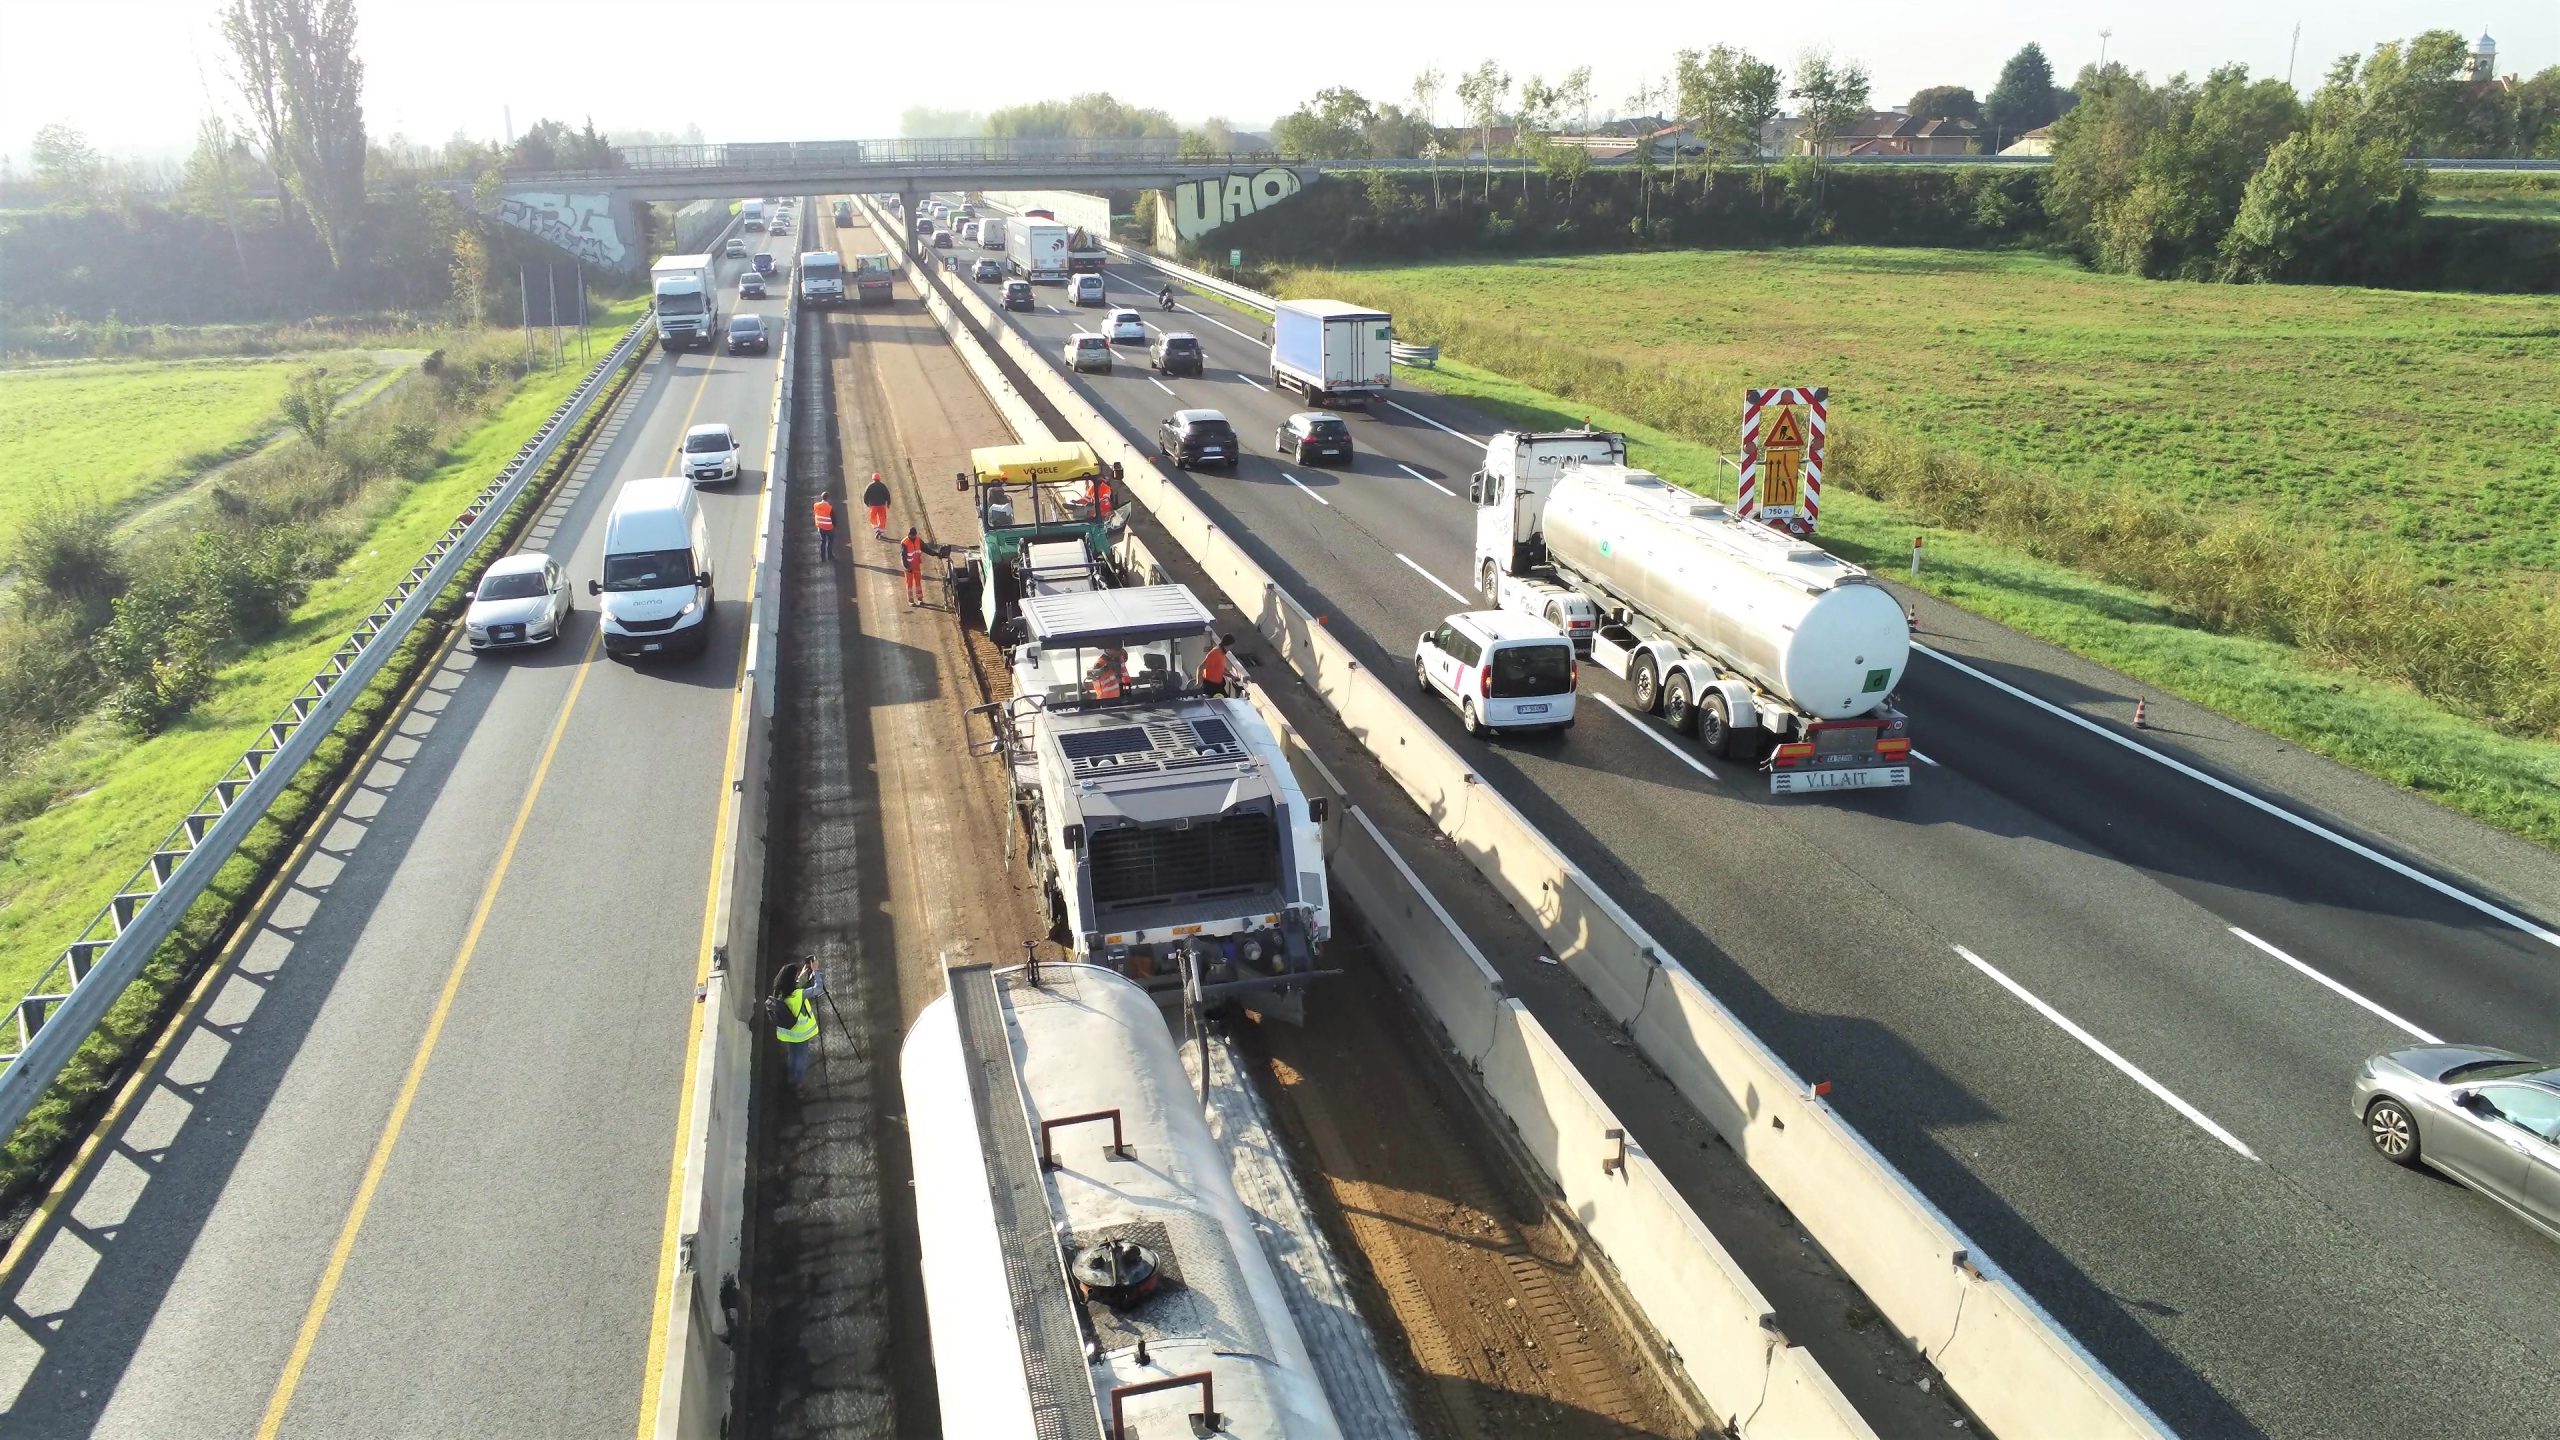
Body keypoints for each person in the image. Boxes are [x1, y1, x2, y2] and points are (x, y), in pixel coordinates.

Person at [768, 959, 820, 1091]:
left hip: (788, 1033)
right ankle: (799, 1082)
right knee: (801, 1059)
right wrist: (816, 971)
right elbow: (817, 989)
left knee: (793, 1054)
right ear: (791, 979)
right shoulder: (798, 995)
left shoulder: (780, 992)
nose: (797, 977)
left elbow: (796, 986)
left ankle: (791, 1077)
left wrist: (803, 975)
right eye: (795, 976)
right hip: (801, 1034)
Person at [900, 526, 927, 606]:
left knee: (918, 582)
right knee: (909, 583)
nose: (913, 537)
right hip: (909, 566)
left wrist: (935, 553)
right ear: (909, 534)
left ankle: (920, 599)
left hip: (916, 565)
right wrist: (907, 568)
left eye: (914, 535)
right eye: (912, 535)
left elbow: (926, 548)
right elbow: (903, 557)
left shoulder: (918, 540)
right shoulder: (904, 542)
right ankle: (911, 600)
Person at [862, 472, 892, 539]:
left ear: (873, 478)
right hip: (882, 505)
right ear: (879, 478)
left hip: (873, 506)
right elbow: (887, 495)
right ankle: (881, 532)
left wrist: (867, 503)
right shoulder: (883, 486)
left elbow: (865, 495)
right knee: (882, 518)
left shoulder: (870, 486)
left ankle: (876, 529)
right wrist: (888, 503)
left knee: (873, 518)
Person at [812, 492, 836, 561]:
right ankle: (830, 556)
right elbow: (833, 518)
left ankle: (823, 558)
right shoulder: (829, 507)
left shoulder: (816, 505)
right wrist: (834, 526)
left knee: (823, 541)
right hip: (828, 527)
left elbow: (815, 512)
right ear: (828, 498)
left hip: (820, 526)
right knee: (830, 541)